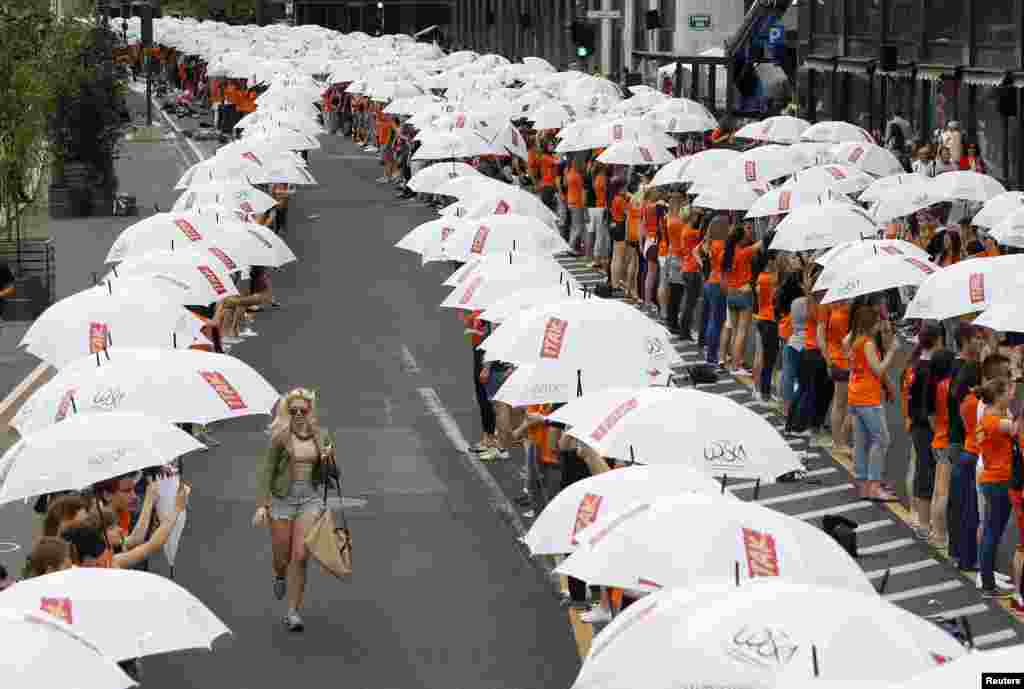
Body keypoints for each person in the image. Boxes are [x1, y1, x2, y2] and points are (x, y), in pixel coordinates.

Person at [253, 388, 337, 632]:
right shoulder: (280, 437)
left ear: (311, 411)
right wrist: (261, 505)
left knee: (300, 556)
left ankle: (293, 612)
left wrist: (329, 457)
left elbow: (334, 473)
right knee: (282, 556)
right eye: (294, 410)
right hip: (282, 500)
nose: (299, 414)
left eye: (303, 409)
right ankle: (279, 574)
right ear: (287, 413)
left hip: (309, 500)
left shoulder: (322, 436)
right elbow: (266, 471)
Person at [844, 305, 899, 501]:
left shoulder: (852, 341)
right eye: (876, 322)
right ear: (870, 323)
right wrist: (892, 351)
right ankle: (874, 486)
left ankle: (863, 486)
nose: (878, 325)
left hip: (855, 396)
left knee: (861, 441)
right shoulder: (867, 343)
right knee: (881, 439)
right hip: (868, 398)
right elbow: (879, 370)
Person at [976, 378, 1020, 598]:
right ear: (999, 396)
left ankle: (986, 581)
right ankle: (987, 584)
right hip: (1000, 481)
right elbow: (1015, 428)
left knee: (992, 531)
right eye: (1010, 392)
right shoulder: (995, 421)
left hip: (992, 479)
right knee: (993, 532)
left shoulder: (989, 418)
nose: (1013, 395)